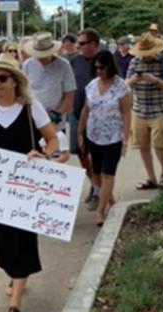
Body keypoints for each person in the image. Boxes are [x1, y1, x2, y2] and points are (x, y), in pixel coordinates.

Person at [0, 54, 59, 312]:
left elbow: (53, 139)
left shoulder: (31, 108)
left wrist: (43, 155)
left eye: (2, 78)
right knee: (6, 243)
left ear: (15, 82)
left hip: (27, 188)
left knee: (23, 240)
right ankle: (15, 275)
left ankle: (15, 305)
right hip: (0, 190)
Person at [77, 51, 131, 226]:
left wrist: (125, 138)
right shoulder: (92, 86)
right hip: (94, 135)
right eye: (96, 67)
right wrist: (80, 132)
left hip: (113, 137)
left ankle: (101, 211)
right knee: (97, 173)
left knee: (109, 173)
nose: (99, 70)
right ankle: (109, 198)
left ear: (110, 67)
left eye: (102, 67)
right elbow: (86, 110)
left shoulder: (121, 87)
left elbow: (126, 113)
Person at [126, 32, 163, 190]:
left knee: (160, 144)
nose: (146, 57)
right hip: (139, 110)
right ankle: (151, 177)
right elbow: (125, 85)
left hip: (158, 109)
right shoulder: (134, 62)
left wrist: (156, 80)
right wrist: (135, 79)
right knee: (142, 145)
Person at [70, 28, 101, 209]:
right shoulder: (75, 61)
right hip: (76, 115)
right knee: (81, 152)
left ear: (93, 44)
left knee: (97, 155)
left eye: (82, 44)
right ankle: (94, 184)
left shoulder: (104, 61)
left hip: (98, 117)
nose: (78, 46)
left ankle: (99, 191)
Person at [22, 31, 76, 126]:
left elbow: (69, 98)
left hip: (55, 121)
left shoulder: (64, 66)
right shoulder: (28, 65)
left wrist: (55, 116)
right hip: (32, 121)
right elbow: (22, 92)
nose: (41, 57)